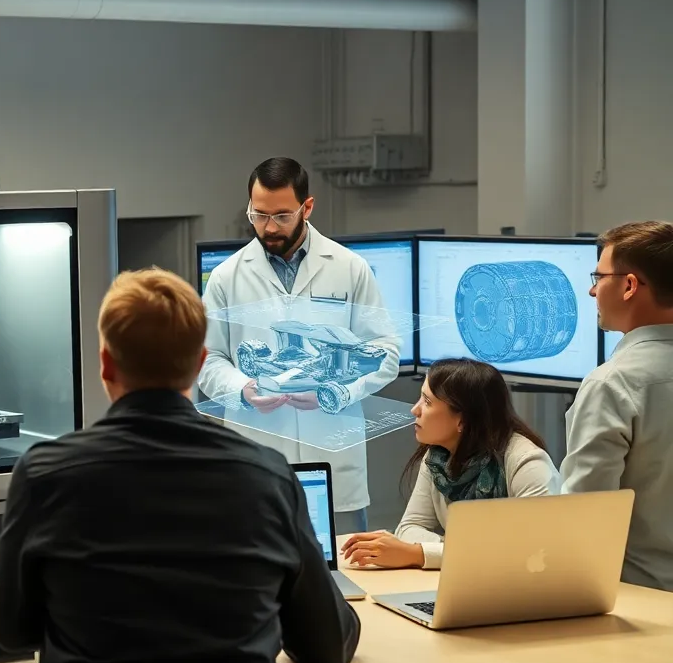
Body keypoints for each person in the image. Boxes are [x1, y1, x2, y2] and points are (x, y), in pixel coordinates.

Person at [0, 268, 360, 663]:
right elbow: (328, 647)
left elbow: (11, 630)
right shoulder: (267, 478)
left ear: (106, 362)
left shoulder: (44, 474)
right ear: (200, 363)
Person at [199, 157, 400, 535]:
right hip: (258, 462)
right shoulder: (227, 277)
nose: (268, 228)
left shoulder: (349, 268)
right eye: (258, 215)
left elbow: (384, 352)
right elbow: (209, 360)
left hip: (333, 461)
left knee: (345, 582)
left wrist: (338, 392)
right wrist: (242, 390)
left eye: (281, 216)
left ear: (307, 207)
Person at [341, 358, 558, 569]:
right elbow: (410, 528)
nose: (414, 410)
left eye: (427, 402)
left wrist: (418, 554)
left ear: (462, 420)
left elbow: (532, 551)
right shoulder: (438, 456)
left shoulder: (527, 463)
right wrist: (458, 553)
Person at [561, 221, 673, 591]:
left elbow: (585, 521)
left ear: (628, 286)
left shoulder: (612, 384)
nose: (592, 290)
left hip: (644, 603)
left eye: (599, 276)